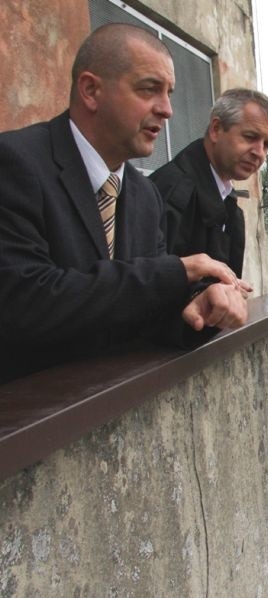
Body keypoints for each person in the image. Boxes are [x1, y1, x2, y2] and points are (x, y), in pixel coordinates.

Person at [0, 23, 251, 384]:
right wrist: (174, 272)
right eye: (149, 89)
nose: (167, 110)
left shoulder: (145, 195)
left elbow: (143, 314)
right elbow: (25, 303)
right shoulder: (15, 163)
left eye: (169, 93)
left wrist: (201, 311)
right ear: (91, 91)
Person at [150, 88, 268, 278]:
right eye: (250, 137)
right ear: (216, 129)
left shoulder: (226, 197)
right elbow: (153, 283)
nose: (259, 152)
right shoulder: (172, 192)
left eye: (267, 144)